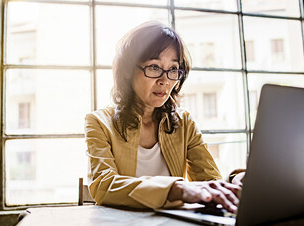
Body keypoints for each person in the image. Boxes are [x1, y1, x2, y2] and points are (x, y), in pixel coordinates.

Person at [85, 21, 243, 213]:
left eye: (173, 69)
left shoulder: (184, 123)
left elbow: (209, 181)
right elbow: (104, 186)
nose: (165, 81)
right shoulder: (99, 122)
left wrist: (234, 180)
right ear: (127, 70)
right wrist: (176, 188)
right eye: (153, 67)